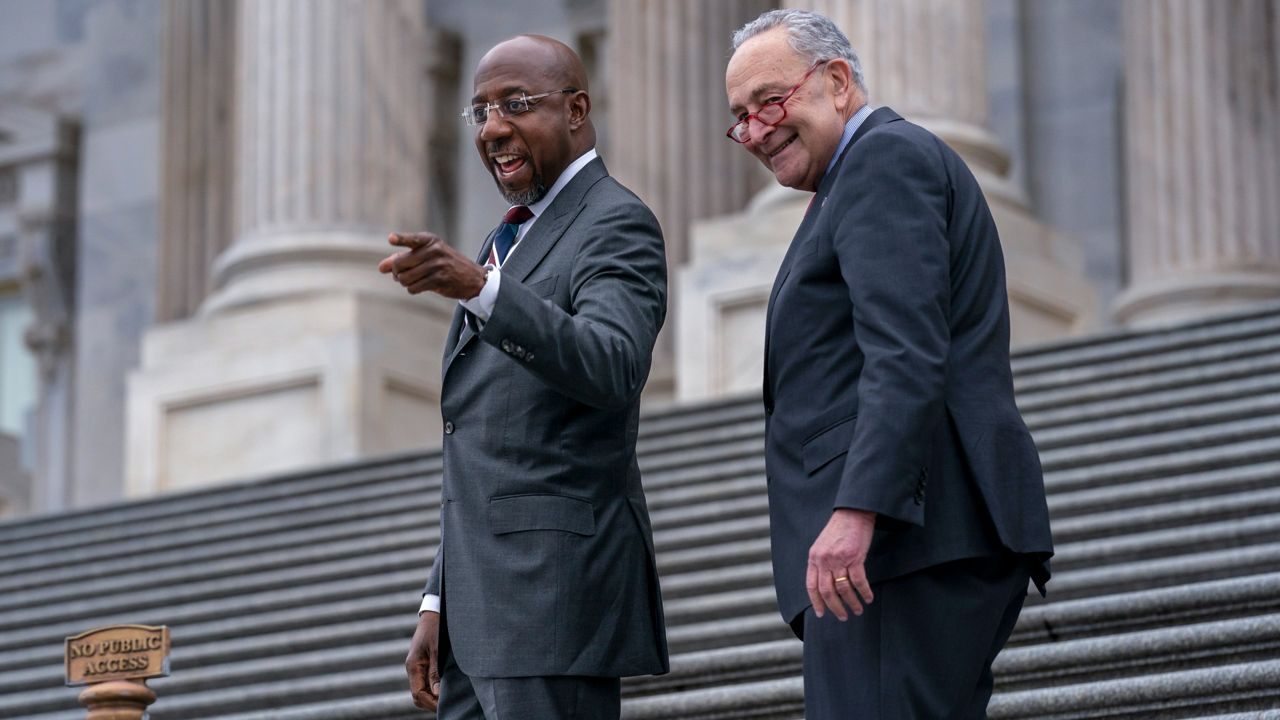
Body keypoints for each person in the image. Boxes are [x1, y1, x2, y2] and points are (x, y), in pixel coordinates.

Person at [724, 9, 1053, 718]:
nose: (754, 131)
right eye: (740, 118)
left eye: (770, 102)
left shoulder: (880, 159)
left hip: (901, 547)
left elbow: (904, 348)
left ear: (837, 81)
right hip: (914, 544)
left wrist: (857, 509)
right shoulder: (858, 176)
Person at [381, 35, 668, 720]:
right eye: (478, 111)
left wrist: (481, 288)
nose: (493, 128)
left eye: (515, 104)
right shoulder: (509, 236)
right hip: (479, 613)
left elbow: (612, 363)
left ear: (577, 109)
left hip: (553, 603)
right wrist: (437, 596)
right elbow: (491, 443)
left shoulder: (616, 222)